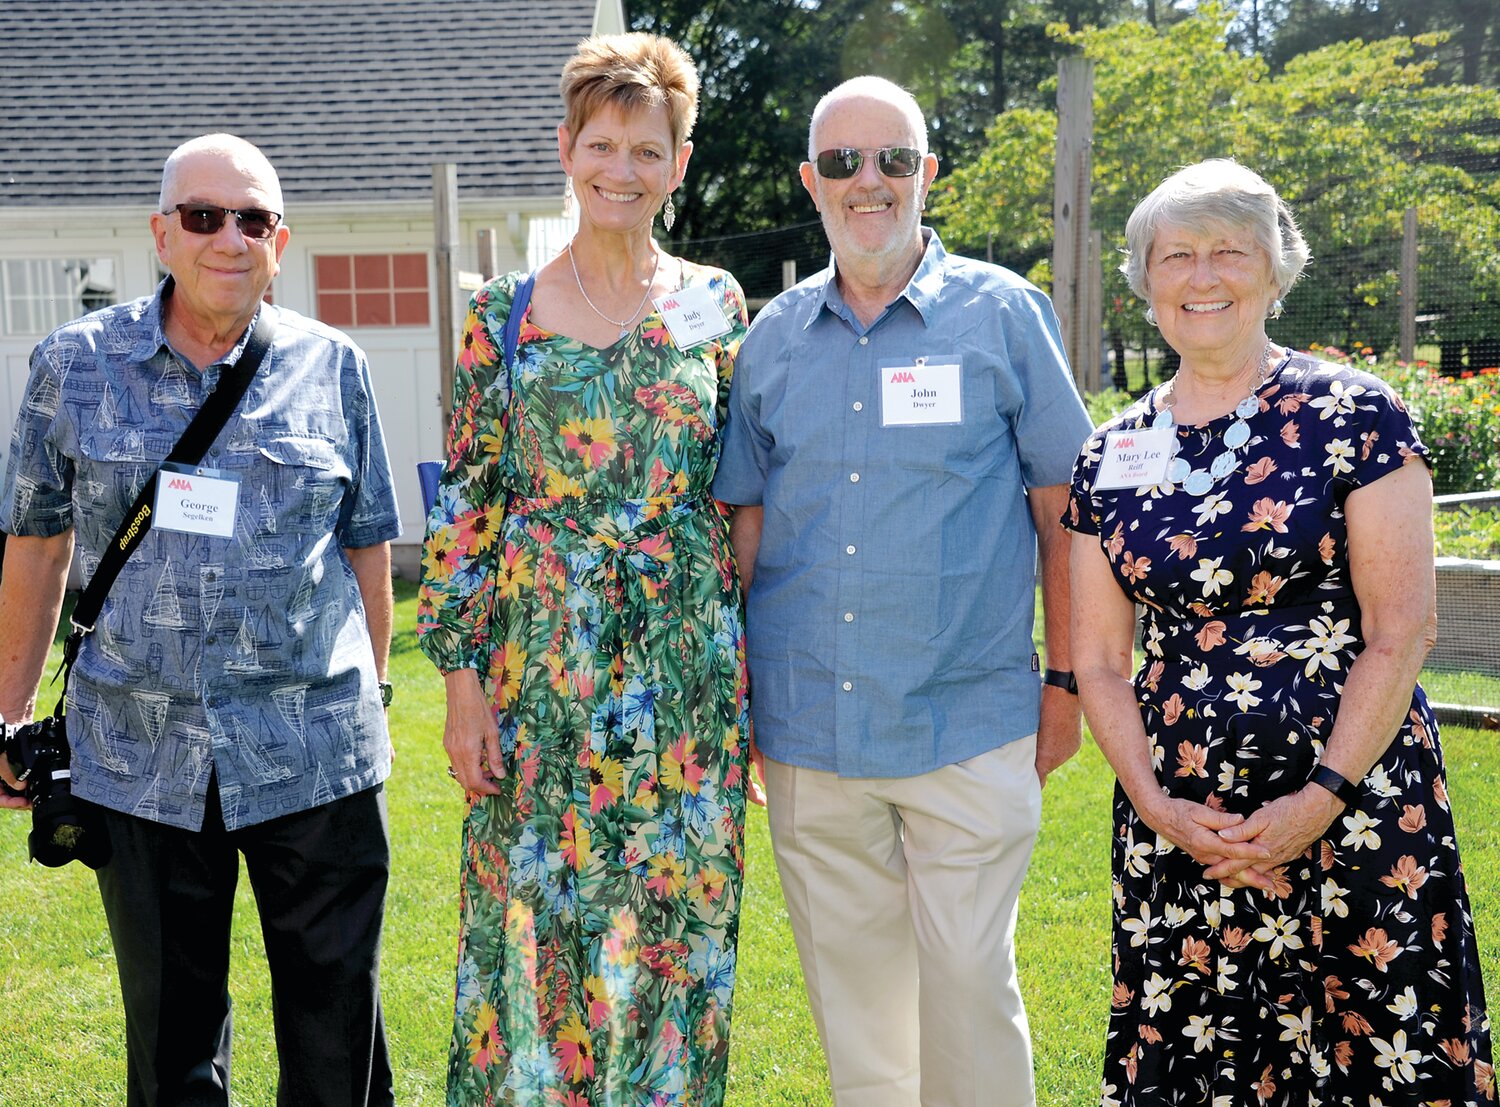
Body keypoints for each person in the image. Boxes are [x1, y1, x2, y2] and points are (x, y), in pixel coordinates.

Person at [1064, 158, 1494, 1105]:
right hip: (1184, 829)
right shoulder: (1110, 449)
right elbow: (1096, 658)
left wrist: (1319, 798)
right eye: (1177, 254)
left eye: (1230, 250)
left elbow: (1403, 629)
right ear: (1145, 279)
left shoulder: (1357, 414)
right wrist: (1154, 803)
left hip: (1360, 810)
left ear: (1274, 269)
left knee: (1377, 1054)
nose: (1204, 275)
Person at [711, 76, 1092, 1107]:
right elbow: (744, 531)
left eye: (890, 160)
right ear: (810, 181)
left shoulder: (1006, 316)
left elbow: (1067, 513)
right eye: (841, 162)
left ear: (928, 174)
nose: (866, 182)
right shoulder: (770, 341)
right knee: (861, 1015)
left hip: (968, 718)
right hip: (810, 730)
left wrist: (1067, 681)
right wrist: (740, 699)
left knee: (970, 987)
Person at [0, 133, 400, 1106]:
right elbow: (39, 545)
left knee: (335, 1028)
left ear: (281, 240)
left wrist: (374, 697)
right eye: (204, 217)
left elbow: (367, 543)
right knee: (172, 1039)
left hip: (318, 754)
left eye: (253, 219)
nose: (230, 238)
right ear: (162, 234)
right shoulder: (73, 367)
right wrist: (8, 717)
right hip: (138, 761)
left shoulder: (333, 366)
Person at [416, 33, 751, 1106]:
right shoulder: (500, 316)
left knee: (676, 922)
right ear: (566, 149)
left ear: (680, 163)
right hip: (541, 672)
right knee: (540, 922)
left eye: (646, 149)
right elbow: (468, 506)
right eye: (601, 143)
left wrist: (735, 665)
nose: (622, 169)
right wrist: (463, 686)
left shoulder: (715, 303)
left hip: (685, 673)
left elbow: (739, 493)